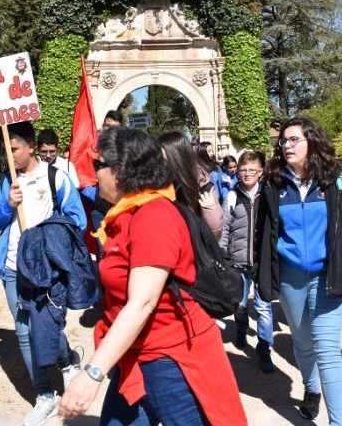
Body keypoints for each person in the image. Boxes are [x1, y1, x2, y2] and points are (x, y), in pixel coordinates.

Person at [59, 127, 247, 425]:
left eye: (98, 166)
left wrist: (92, 373)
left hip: (170, 363)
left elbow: (142, 302)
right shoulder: (126, 214)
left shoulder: (154, 216)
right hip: (132, 354)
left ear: (120, 172)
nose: (94, 174)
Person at [255, 117, 342, 425]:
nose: (286, 146)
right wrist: (262, 270)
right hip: (292, 278)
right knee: (303, 342)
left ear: (312, 142)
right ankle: (311, 388)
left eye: (294, 140)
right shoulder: (273, 183)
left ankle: (338, 422)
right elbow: (262, 233)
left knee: (327, 350)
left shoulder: (337, 180)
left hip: (329, 276)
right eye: (283, 141)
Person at [0, 122, 87, 426]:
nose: (8, 155)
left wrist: (48, 243)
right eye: (5, 150)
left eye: (13, 149)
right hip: (14, 270)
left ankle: (68, 362)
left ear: (30, 146)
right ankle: (45, 397)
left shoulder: (55, 177)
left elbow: (77, 220)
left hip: (45, 271)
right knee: (24, 332)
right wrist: (8, 206)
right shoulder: (3, 182)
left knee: (48, 327)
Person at [220, 150, 275, 373]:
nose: (247, 174)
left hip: (262, 262)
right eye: (243, 170)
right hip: (238, 261)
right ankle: (241, 328)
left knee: (264, 308)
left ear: (261, 172)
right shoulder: (232, 197)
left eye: (252, 170)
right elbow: (224, 229)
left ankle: (264, 349)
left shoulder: (269, 195)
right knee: (240, 305)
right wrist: (223, 258)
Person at [157, 131, 224, 241]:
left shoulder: (202, 185)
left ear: (176, 157)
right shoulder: (157, 184)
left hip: (194, 250)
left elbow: (214, 235)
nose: (159, 162)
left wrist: (210, 210)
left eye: (163, 158)